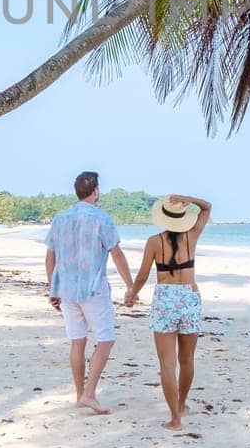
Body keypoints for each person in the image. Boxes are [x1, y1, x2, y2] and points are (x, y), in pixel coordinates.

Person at [45, 171, 134, 415]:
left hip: (66, 289)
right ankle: (89, 393)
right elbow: (116, 253)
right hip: (93, 289)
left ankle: (79, 395)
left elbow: (50, 254)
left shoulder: (60, 218)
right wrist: (130, 285)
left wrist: (52, 287)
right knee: (105, 339)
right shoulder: (101, 219)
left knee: (77, 341)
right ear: (95, 191)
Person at [125, 193, 211, 431]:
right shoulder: (191, 235)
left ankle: (175, 419)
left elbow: (142, 275)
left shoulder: (154, 242)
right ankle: (182, 404)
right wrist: (188, 198)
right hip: (189, 296)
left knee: (167, 364)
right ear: (183, 217)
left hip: (165, 297)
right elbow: (207, 207)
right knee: (187, 360)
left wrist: (132, 293)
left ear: (163, 218)